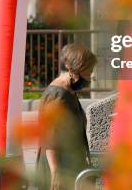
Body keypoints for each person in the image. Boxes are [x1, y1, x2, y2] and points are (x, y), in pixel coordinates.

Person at [35, 43, 97, 190]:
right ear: (73, 70)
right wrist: (55, 173)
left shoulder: (69, 91)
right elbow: (49, 136)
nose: (89, 78)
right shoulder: (58, 95)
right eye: (87, 73)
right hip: (60, 169)